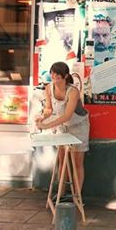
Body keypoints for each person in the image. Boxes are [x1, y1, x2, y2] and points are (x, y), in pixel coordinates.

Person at [35, 62, 90, 193]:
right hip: (62, 127)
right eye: (52, 75)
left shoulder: (73, 91)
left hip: (78, 126)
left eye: (58, 76)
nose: (54, 79)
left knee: (77, 162)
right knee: (62, 161)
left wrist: (47, 125)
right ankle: (61, 194)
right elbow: (49, 109)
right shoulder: (49, 88)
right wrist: (42, 117)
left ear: (65, 76)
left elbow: (67, 115)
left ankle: (77, 196)